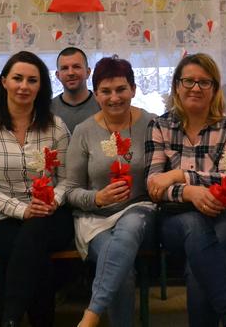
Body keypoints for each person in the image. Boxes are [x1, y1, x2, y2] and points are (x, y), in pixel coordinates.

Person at [145, 53, 226, 327]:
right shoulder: (159, 126)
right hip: (176, 218)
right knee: (195, 227)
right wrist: (191, 193)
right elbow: (154, 185)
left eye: (204, 82)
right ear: (176, 85)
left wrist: (179, 175)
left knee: (198, 265)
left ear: (214, 89)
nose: (196, 88)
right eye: (188, 81)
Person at [0, 50, 73, 327]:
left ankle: (10, 318)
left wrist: (52, 201)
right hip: (0, 217)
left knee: (34, 234)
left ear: (41, 86)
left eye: (32, 80)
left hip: (51, 214)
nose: (24, 86)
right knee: (36, 257)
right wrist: (22, 210)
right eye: (17, 78)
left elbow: (68, 180)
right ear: (4, 82)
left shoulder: (56, 127)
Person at [65, 56, 157, 327]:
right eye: (106, 91)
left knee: (130, 226)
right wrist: (97, 198)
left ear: (133, 90)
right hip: (95, 218)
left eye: (121, 89)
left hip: (140, 210)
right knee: (121, 269)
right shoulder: (83, 131)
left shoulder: (152, 124)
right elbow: (71, 191)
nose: (114, 98)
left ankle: (90, 315)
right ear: (96, 94)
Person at [52, 46, 99, 132]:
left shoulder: (102, 105)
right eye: (65, 68)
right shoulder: (48, 110)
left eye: (76, 67)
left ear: (88, 72)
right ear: (57, 75)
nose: (70, 73)